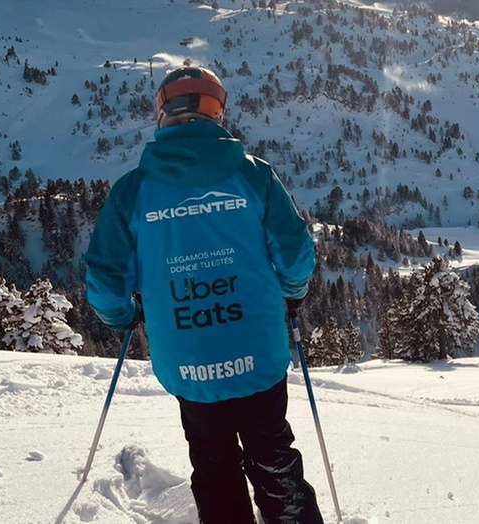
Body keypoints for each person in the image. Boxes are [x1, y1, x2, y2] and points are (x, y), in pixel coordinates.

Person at [84, 66, 323, 524]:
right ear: (217, 112)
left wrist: (122, 317)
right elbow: (295, 254)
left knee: (212, 463)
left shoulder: (132, 192)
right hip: (258, 349)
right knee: (273, 453)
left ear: (162, 112)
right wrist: (292, 294)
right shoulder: (254, 177)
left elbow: (105, 276)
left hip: (188, 357)